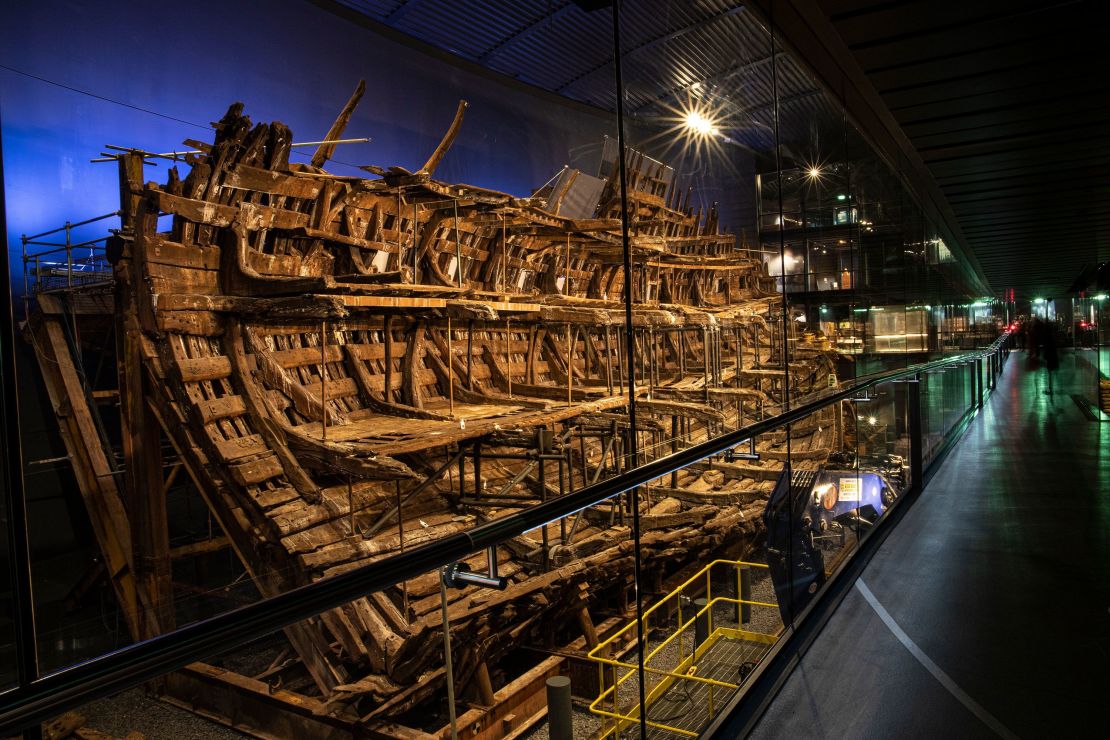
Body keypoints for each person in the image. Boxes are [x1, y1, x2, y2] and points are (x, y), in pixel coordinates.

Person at [1043, 323, 1059, 395]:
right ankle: (1053, 387)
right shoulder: (1052, 337)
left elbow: (1047, 348)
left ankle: (1051, 387)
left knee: (1050, 374)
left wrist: (1045, 356)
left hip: (1050, 358)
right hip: (1053, 357)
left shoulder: (1048, 338)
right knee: (1053, 374)